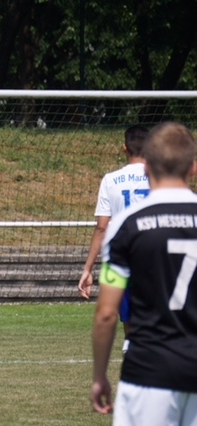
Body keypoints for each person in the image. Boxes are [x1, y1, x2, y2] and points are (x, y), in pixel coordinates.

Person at [90, 122, 197, 424]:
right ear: (193, 167)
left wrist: (99, 375)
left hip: (148, 372)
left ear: (147, 166)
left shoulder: (126, 226)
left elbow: (106, 314)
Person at [78, 125, 149, 353]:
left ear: (124, 148)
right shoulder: (162, 177)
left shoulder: (111, 180)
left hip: (124, 259)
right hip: (157, 257)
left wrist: (88, 269)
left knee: (130, 326)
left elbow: (102, 228)